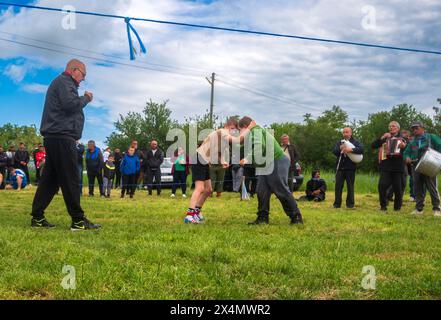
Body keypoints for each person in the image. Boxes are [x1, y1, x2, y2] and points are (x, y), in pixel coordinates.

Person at [31, 59, 100, 230]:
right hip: (61, 137)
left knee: (50, 181)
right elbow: (70, 105)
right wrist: (86, 98)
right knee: (71, 179)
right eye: (83, 75)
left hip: (56, 137)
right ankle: (78, 220)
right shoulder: (64, 82)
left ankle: (37, 218)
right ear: (74, 70)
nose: (83, 79)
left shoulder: (62, 83)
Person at [239, 116, 304, 225]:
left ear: (245, 127)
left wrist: (247, 159)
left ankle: (296, 216)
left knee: (281, 189)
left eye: (240, 130)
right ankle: (262, 218)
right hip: (267, 164)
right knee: (261, 191)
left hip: (276, 160)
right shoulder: (254, 132)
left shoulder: (255, 131)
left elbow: (260, 147)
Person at [185, 117, 247, 224]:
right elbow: (236, 140)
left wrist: (222, 161)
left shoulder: (223, 139)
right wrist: (247, 130)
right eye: (232, 128)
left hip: (204, 162)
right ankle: (189, 216)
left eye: (235, 130)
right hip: (198, 159)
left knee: (208, 189)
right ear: (227, 126)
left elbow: (219, 153)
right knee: (199, 188)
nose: (233, 131)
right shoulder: (222, 131)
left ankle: (196, 212)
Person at [404, 121, 441, 216]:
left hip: (429, 165)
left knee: (432, 187)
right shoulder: (413, 141)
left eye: (417, 128)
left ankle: (437, 209)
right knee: (417, 188)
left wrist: (437, 157)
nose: (414, 130)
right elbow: (406, 152)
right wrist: (407, 157)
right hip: (415, 167)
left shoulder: (431, 137)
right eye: (413, 129)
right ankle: (419, 209)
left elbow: (440, 146)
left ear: (422, 128)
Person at [371, 121, 407, 212]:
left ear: (398, 128)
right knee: (381, 186)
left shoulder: (403, 138)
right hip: (386, 166)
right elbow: (373, 145)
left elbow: (408, 148)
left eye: (393, 126)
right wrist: (382, 138)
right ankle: (383, 206)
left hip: (398, 166)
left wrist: (404, 146)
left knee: (398, 189)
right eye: (390, 126)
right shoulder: (385, 137)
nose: (391, 127)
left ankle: (397, 208)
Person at [332, 127, 364, 209]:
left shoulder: (356, 142)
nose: (345, 134)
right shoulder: (340, 142)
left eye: (347, 132)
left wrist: (351, 149)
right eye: (344, 132)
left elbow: (361, 149)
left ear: (351, 133)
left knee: (350, 186)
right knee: (338, 186)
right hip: (340, 168)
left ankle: (350, 205)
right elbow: (334, 151)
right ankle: (337, 204)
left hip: (350, 168)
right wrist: (340, 148)